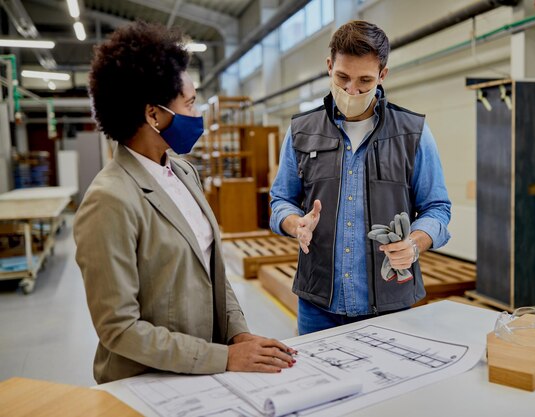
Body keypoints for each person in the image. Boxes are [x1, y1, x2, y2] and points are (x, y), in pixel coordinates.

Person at [74, 21, 295, 384]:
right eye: (190, 104)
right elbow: (119, 328)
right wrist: (222, 357)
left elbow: (214, 273)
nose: (198, 115)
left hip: (202, 371)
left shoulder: (183, 172)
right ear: (153, 114)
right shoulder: (109, 201)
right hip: (150, 381)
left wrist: (238, 334)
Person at [270, 20, 451, 335]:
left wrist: (415, 243)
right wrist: (293, 223)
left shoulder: (413, 133)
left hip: (390, 303)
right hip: (317, 305)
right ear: (329, 67)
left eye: (365, 81)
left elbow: (437, 207)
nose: (351, 90)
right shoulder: (301, 130)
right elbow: (280, 199)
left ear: (383, 75)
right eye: (342, 77)